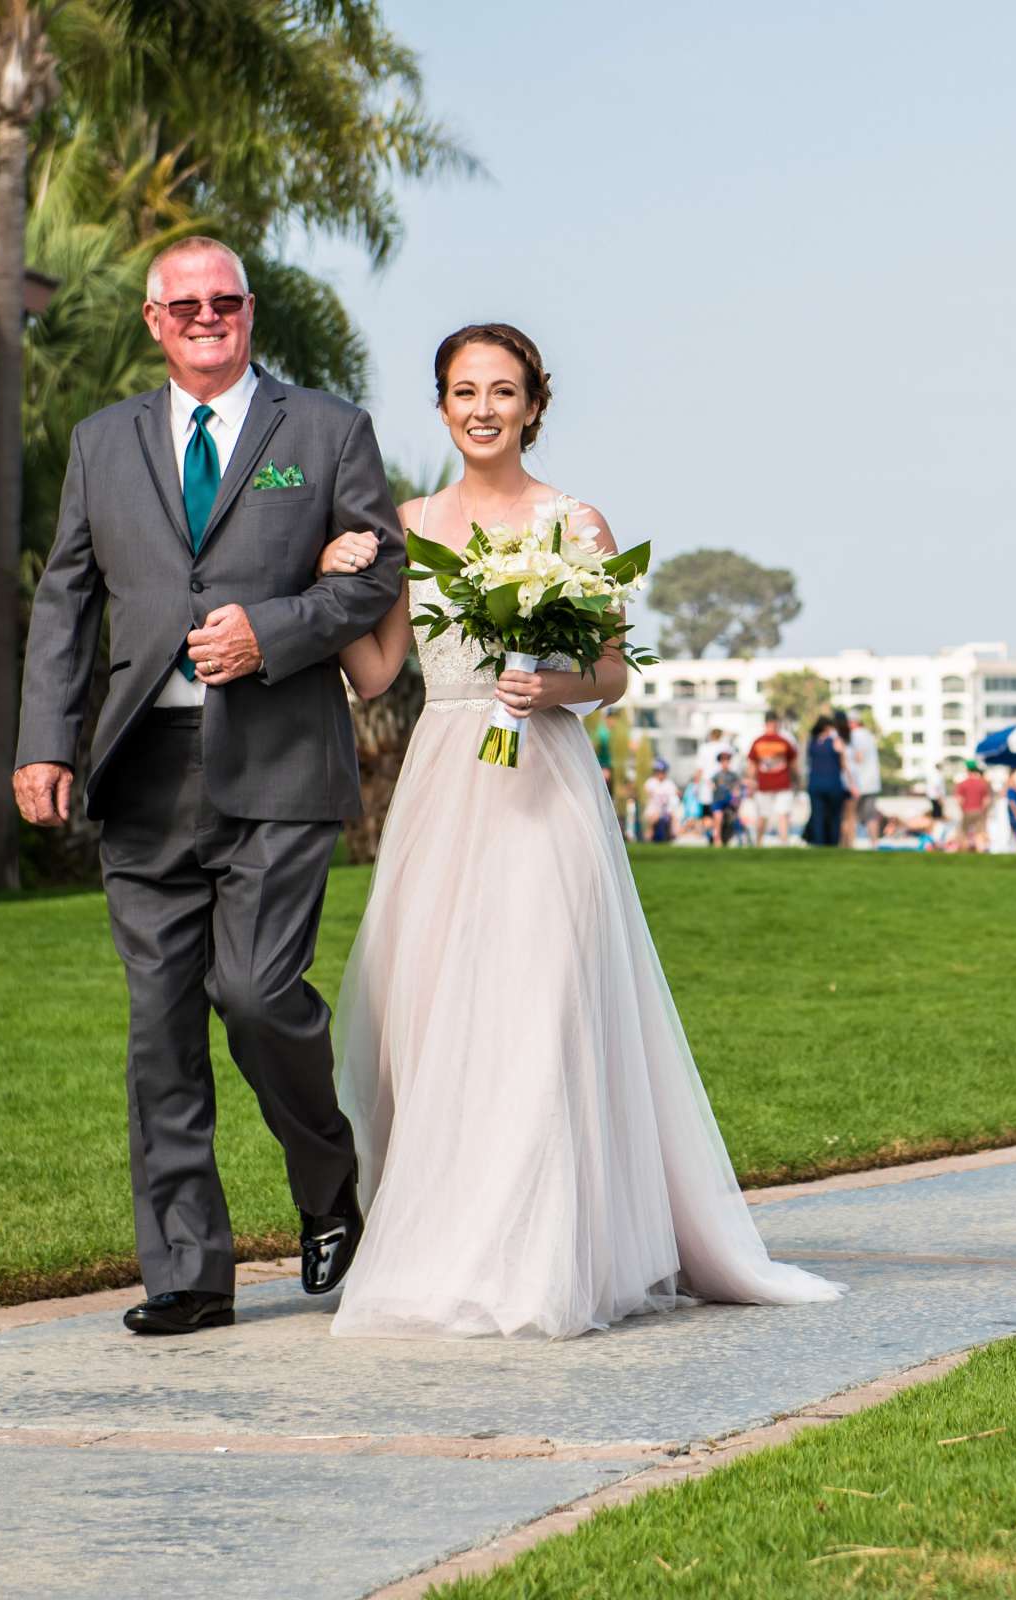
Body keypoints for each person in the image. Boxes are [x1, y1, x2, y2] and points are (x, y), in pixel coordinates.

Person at [308, 321, 840, 1338]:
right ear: (440, 404)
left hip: (543, 782)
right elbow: (377, 672)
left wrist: (547, 681)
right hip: (442, 783)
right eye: (464, 390)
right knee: (423, 1008)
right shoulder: (407, 521)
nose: (482, 408)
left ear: (535, 405)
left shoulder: (573, 523)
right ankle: (442, 1231)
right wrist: (337, 581)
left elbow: (609, 673)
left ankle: (545, 1252)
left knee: (541, 999)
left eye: (502, 391)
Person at [13, 237, 401, 1336]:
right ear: (153, 318)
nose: (206, 316)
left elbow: (376, 571)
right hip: (142, 770)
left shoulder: (325, 431)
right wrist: (45, 740)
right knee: (159, 1027)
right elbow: (64, 602)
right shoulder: (102, 444)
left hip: (278, 760)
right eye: (184, 304)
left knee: (258, 992)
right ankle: (188, 1270)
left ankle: (330, 1191)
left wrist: (272, 631)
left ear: (248, 311)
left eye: (224, 300)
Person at [745, 712, 798, 846]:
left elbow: (792, 763)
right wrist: (751, 782)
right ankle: (759, 843)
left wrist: (795, 779)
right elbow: (752, 765)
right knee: (765, 815)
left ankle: (783, 842)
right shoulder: (760, 742)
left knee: (782, 814)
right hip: (765, 784)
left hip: (782, 783)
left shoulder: (783, 741)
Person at [804, 711, 851, 846]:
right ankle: (833, 843)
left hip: (815, 784)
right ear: (827, 728)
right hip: (833, 784)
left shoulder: (812, 743)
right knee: (835, 816)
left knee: (817, 816)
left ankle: (819, 843)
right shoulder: (836, 742)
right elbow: (843, 764)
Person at [847, 711, 883, 846]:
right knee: (871, 815)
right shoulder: (868, 735)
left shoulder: (856, 736)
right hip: (872, 783)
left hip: (859, 783)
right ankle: (874, 844)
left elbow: (858, 757)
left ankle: (850, 844)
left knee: (851, 815)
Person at [953, 760, 991, 851]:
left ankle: (965, 852)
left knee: (964, 833)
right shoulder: (983, 783)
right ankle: (980, 852)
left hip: (967, 810)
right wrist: (983, 811)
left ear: (967, 770)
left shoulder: (962, 784)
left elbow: (959, 800)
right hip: (979, 811)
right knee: (979, 833)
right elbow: (987, 800)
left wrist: (962, 810)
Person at [709, 750, 745, 845]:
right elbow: (711, 784)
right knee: (718, 818)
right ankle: (717, 839)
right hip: (718, 801)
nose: (725, 763)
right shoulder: (716, 775)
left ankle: (739, 839)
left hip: (730, 801)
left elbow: (738, 787)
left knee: (736, 818)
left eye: (727, 761)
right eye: (723, 761)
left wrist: (736, 793)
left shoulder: (733, 775)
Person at [643, 758, 681, 844]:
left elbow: (676, 794)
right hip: (653, 809)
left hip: (666, 809)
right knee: (653, 817)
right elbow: (647, 793)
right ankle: (648, 837)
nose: (660, 774)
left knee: (674, 817)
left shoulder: (669, 783)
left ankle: (674, 837)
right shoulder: (651, 782)